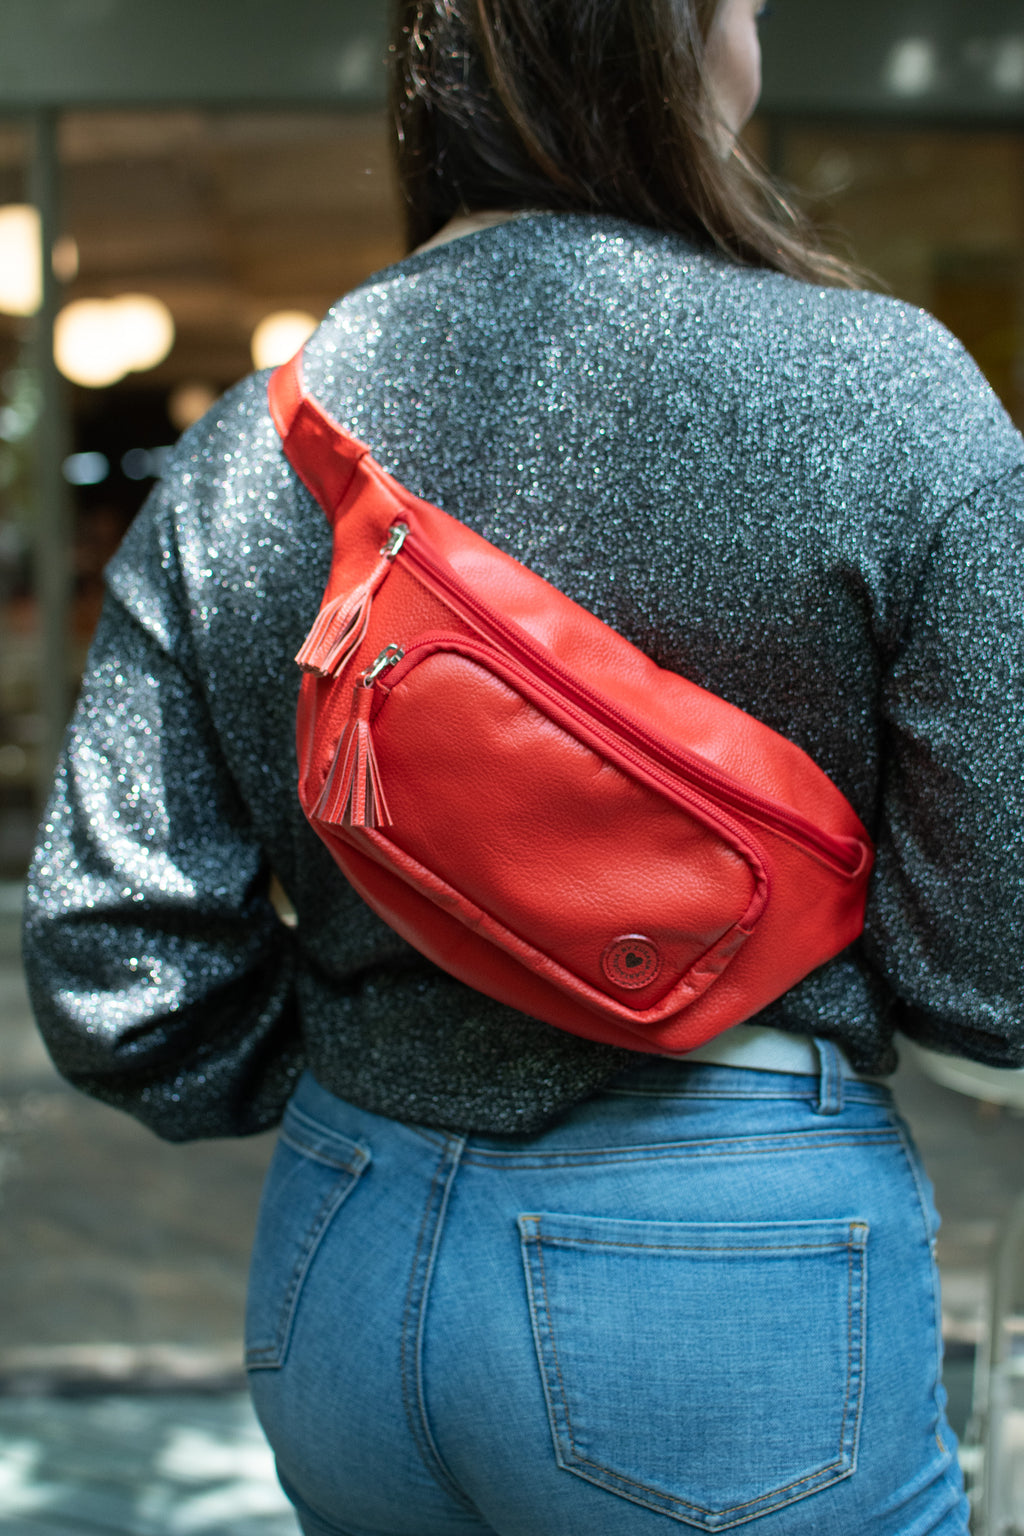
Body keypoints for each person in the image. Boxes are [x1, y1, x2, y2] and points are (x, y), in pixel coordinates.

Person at [22, 0, 1024, 1530]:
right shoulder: (895, 396)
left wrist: (389, 1063)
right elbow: (994, 969)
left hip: (345, 1244)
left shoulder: (255, 442)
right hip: (726, 1259)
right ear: (675, 37)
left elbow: (120, 965)